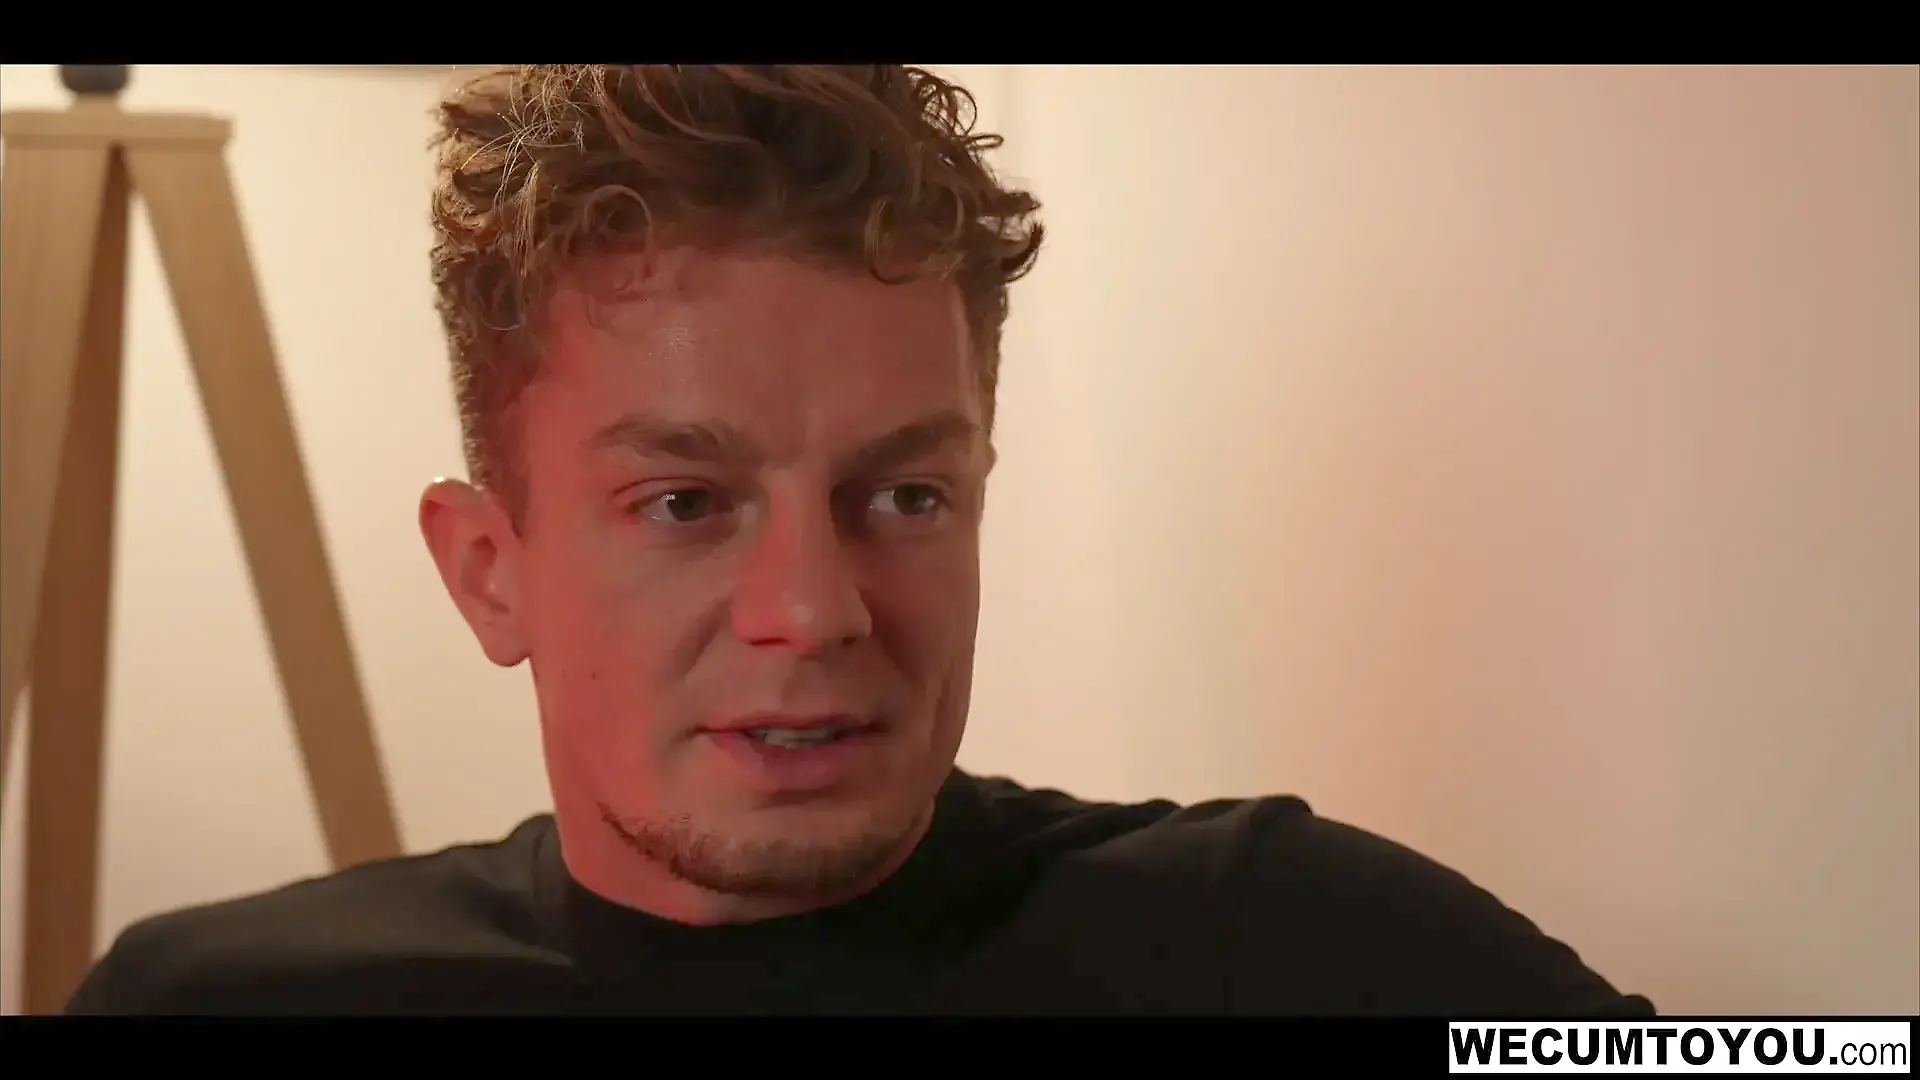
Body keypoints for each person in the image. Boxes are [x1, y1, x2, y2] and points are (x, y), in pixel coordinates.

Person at [65, 65, 1653, 1016]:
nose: (814, 611)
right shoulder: (219, 1002)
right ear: (490, 571)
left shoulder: (1295, 942)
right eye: (686, 504)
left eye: (904, 496)